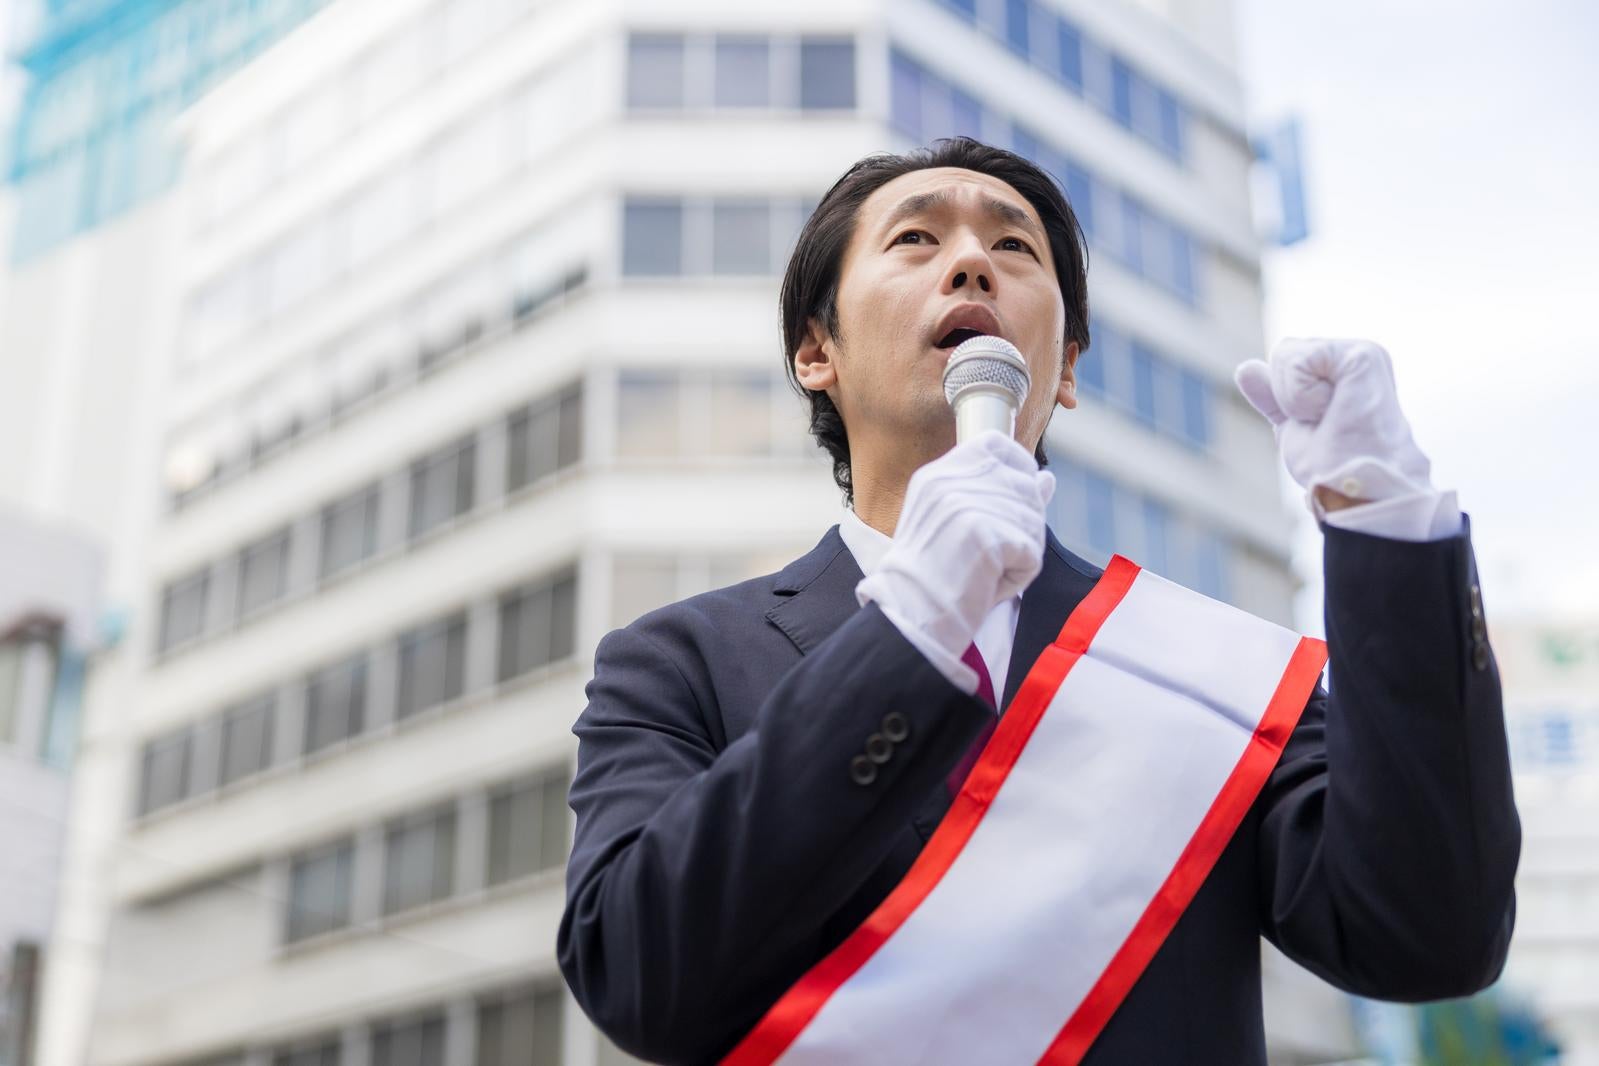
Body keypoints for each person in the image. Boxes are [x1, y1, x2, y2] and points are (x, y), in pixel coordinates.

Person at [557, 137, 1519, 1065]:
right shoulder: (677, 660)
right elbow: (641, 974)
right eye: (916, 240)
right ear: (818, 351)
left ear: (1062, 371)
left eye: (1013, 247)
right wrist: (917, 629)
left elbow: (1427, 934)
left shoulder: (1202, 668)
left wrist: (1390, 534)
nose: (972, 261)